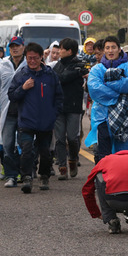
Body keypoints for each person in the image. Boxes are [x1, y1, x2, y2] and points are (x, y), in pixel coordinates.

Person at [8, 42, 64, 193]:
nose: (32, 61)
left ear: (41, 58)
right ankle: (27, 177)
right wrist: (23, 88)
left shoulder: (50, 75)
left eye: (35, 58)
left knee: (45, 152)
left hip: (46, 122)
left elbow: (59, 96)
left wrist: (54, 114)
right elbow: (12, 95)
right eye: (29, 58)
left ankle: (44, 175)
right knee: (26, 150)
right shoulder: (21, 75)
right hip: (26, 120)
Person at [85, 36, 128, 163]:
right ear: (104, 50)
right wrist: (120, 93)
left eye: (113, 47)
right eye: (107, 48)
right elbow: (95, 90)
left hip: (125, 117)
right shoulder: (97, 69)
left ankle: (121, 180)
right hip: (102, 117)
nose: (110, 51)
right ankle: (104, 180)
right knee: (104, 153)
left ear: (119, 49)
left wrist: (108, 84)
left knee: (123, 153)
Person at [0, 36, 27, 187]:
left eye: (17, 46)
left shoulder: (28, 64)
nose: (14, 48)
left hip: (26, 112)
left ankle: (25, 173)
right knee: (7, 144)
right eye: (12, 46)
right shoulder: (2, 65)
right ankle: (11, 175)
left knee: (26, 144)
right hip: (8, 112)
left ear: (23, 47)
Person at [52, 37, 87, 180]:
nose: (59, 51)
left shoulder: (80, 64)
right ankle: (62, 166)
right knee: (59, 139)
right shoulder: (58, 66)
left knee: (72, 137)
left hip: (74, 107)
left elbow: (63, 78)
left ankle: (73, 159)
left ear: (70, 51)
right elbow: (58, 78)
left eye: (61, 49)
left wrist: (75, 73)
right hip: (58, 107)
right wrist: (76, 73)